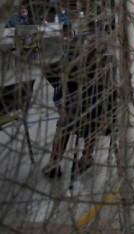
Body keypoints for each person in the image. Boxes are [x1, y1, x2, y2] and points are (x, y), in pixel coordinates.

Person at [42, 20, 114, 178]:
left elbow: (59, 99)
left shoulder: (73, 76)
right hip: (104, 119)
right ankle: (86, 157)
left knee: (64, 123)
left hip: (78, 117)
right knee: (93, 119)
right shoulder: (110, 63)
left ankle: (55, 162)